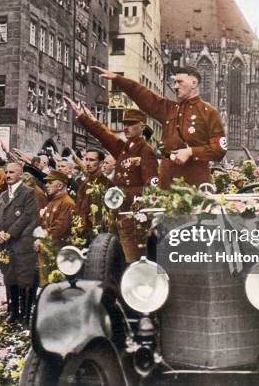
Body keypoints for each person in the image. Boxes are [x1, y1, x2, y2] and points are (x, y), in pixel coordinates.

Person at [92, 65, 226, 188]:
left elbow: (219, 149)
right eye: (174, 82)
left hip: (196, 186)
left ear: (194, 83)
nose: (175, 86)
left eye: (180, 82)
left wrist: (191, 152)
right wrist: (117, 79)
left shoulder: (209, 112)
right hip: (167, 185)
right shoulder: (169, 109)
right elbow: (144, 95)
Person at [70, 101, 158, 262]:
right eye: (125, 124)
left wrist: (143, 212)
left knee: (133, 261)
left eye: (131, 124)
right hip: (117, 215)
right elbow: (104, 136)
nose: (126, 128)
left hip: (134, 217)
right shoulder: (125, 149)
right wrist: (83, 117)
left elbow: (152, 186)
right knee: (113, 261)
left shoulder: (146, 151)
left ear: (142, 127)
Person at [0, 162, 38, 324]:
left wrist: (10, 234)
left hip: (20, 245)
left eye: (11, 172)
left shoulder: (28, 193)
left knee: (24, 280)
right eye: (6, 172)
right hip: (4, 245)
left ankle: (25, 315)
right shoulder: (3, 195)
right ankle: (14, 312)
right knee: (9, 279)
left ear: (21, 175)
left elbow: (27, 216)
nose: (7, 175)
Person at [38, 170, 75, 286]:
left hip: (58, 252)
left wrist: (42, 239)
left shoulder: (67, 203)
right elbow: (44, 223)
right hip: (48, 250)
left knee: (57, 286)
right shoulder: (53, 201)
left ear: (59, 185)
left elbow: (60, 229)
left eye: (50, 182)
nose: (46, 185)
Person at [74, 149, 112, 235]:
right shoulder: (82, 183)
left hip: (97, 233)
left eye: (92, 160)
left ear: (101, 163)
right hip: (80, 231)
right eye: (86, 159)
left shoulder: (107, 184)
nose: (87, 163)